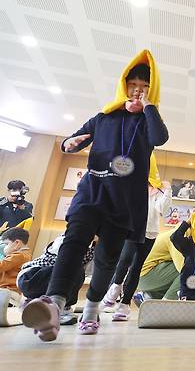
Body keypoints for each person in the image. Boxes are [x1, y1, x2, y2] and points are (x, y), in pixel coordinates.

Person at [21, 51, 168, 341]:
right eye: (133, 84)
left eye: (145, 86)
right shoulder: (103, 117)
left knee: (107, 259)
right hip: (93, 191)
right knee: (73, 242)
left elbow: (159, 138)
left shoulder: (149, 121)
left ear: (152, 91)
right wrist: (69, 143)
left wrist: (150, 107)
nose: (137, 90)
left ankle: (91, 309)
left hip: (123, 201)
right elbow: (71, 142)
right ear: (123, 86)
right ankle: (55, 304)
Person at [102, 178, 172, 321]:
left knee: (136, 267)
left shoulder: (160, 192)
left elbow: (162, 211)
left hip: (150, 233)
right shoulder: (136, 186)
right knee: (125, 259)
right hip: (133, 229)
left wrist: (168, 191)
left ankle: (124, 305)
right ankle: (115, 288)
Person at [17, 234, 95, 325]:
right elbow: (64, 263)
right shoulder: (67, 238)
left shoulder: (93, 246)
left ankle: (40, 303)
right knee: (74, 270)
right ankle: (57, 308)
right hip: (30, 277)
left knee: (77, 272)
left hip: (42, 279)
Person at [133, 228, 185, 305]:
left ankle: (148, 297)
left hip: (140, 276)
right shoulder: (176, 236)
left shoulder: (177, 231)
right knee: (189, 271)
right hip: (145, 276)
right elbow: (182, 268)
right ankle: (166, 304)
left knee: (181, 274)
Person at [0, 228, 31, 293]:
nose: (4, 248)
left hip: (8, 289)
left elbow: (1, 266)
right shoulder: (26, 254)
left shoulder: (18, 256)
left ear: (17, 243)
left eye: (6, 244)